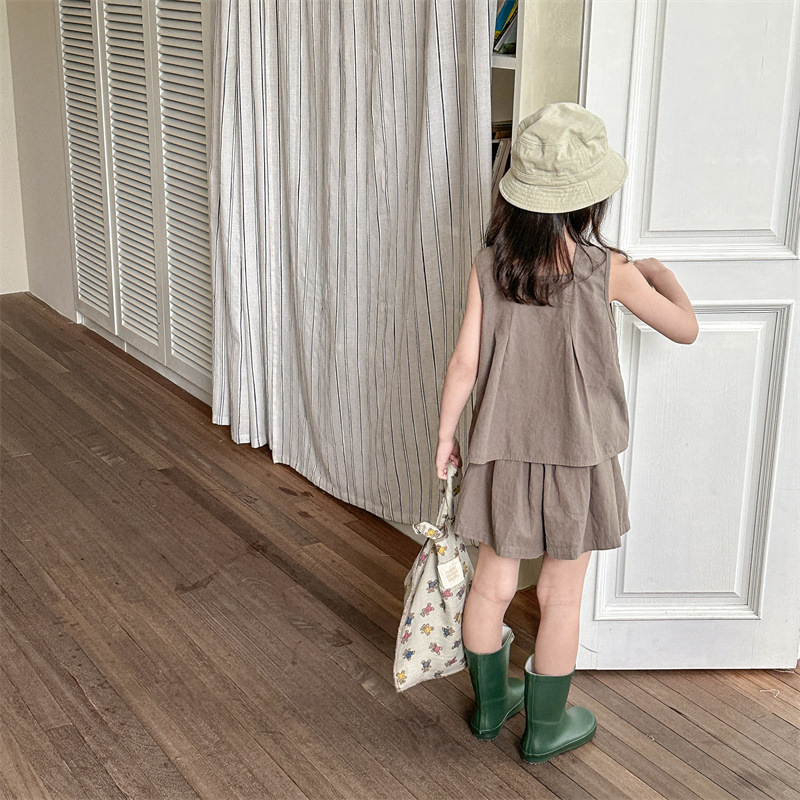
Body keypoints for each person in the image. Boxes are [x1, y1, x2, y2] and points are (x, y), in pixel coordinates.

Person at [434, 102, 698, 764]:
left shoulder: (489, 264)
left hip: (501, 454)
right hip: (578, 460)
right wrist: (660, 272)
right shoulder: (609, 271)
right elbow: (684, 328)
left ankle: (490, 707)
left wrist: (446, 435)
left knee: (491, 586)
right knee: (560, 596)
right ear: (590, 198)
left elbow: (464, 363)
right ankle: (546, 727)